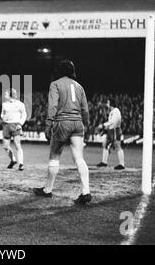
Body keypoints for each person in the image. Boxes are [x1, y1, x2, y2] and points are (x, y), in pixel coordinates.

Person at [34, 59, 92, 205]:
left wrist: (48, 124)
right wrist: (87, 125)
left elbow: (53, 106)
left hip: (62, 122)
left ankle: (48, 190)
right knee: (79, 158)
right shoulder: (79, 86)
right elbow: (85, 109)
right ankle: (86, 192)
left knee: (54, 156)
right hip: (77, 123)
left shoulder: (55, 84)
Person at [1, 88, 27, 171]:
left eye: (6, 94)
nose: (4, 95)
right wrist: (3, 117)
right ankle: (13, 160)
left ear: (10, 95)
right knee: (5, 146)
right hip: (6, 125)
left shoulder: (20, 104)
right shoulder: (4, 104)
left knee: (17, 145)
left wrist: (20, 124)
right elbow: (2, 114)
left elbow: (24, 115)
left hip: (16, 125)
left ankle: (21, 164)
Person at [96, 98, 125, 170]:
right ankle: (104, 162)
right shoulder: (113, 111)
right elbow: (111, 122)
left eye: (108, 103)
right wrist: (106, 129)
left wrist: (103, 125)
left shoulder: (116, 111)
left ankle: (122, 164)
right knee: (105, 145)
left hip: (115, 130)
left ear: (111, 104)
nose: (107, 104)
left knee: (117, 146)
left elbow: (112, 122)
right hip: (111, 130)